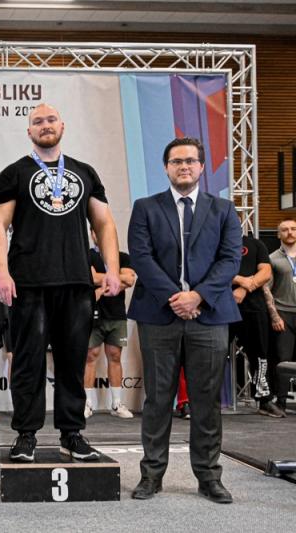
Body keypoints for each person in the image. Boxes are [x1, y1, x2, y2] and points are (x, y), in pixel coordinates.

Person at [0, 103, 121, 464]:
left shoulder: (85, 172)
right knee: (28, 361)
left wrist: (111, 269)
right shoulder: (14, 173)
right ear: (29, 131)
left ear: (62, 125)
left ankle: (71, 434)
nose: (45, 125)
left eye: (50, 120)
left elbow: (104, 223)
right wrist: (1, 271)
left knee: (73, 361)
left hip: (76, 282)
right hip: (28, 282)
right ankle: (26, 435)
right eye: (37, 122)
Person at [128, 137, 241, 504]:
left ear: (202, 167)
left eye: (191, 161)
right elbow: (141, 257)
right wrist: (175, 298)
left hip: (209, 315)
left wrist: (198, 296)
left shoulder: (224, 209)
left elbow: (230, 260)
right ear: (166, 167)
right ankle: (151, 475)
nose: (184, 167)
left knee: (206, 400)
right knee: (158, 398)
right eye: (176, 161)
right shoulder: (145, 208)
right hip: (158, 314)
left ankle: (209, 478)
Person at [85, 227, 136, 419]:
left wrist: (102, 282)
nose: (99, 234)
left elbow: (129, 280)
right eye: (96, 231)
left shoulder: (123, 257)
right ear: (92, 234)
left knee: (115, 355)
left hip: (117, 314)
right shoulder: (87, 255)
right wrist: (114, 280)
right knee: (90, 356)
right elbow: (91, 278)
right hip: (93, 313)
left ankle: (116, 404)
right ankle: (87, 403)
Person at [230, 231, 280, 416]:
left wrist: (244, 288)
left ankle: (264, 399)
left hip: (254, 308)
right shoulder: (213, 242)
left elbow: (265, 273)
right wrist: (241, 280)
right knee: (213, 355)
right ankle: (209, 401)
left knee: (260, 354)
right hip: (222, 306)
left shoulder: (255, 244)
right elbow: (211, 270)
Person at [264, 218, 296, 413]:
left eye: (293, 229)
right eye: (285, 230)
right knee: (283, 359)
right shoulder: (272, 258)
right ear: (278, 234)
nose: (290, 232)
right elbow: (266, 289)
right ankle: (281, 401)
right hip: (284, 313)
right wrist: (275, 316)